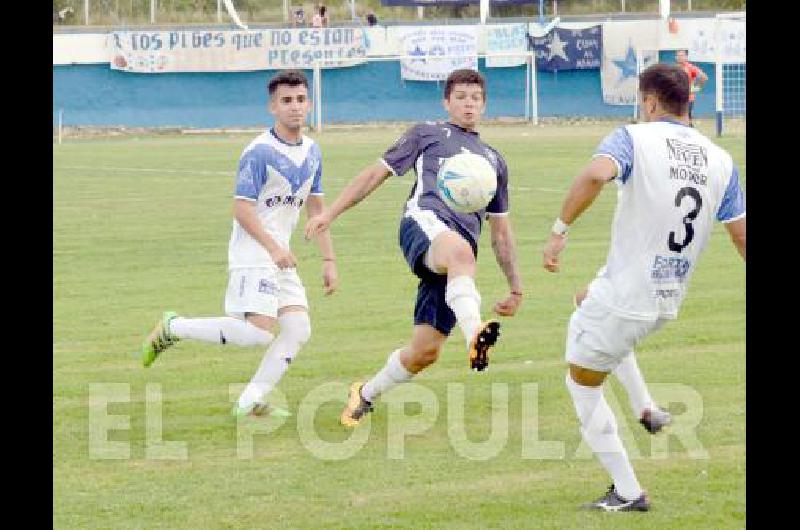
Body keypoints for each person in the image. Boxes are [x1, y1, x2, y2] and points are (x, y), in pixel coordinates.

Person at [542, 63, 745, 512]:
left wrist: (559, 229)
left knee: (582, 382)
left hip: (629, 298)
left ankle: (628, 492)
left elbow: (596, 174)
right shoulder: (722, 160)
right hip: (667, 295)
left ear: (649, 102)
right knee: (587, 301)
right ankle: (647, 408)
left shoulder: (633, 136)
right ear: (689, 103)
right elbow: (742, 235)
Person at [306, 68, 523, 428]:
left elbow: (501, 231)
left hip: (455, 262)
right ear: (446, 101)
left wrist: (515, 286)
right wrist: (332, 212)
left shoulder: (494, 161)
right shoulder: (426, 133)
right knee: (460, 253)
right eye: (461, 97)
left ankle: (365, 394)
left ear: (484, 104)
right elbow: (375, 174)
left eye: (475, 98)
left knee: (424, 351)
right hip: (422, 225)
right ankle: (475, 335)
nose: (468, 104)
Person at [139, 70, 338, 418]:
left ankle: (250, 401)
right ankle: (174, 327)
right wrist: (274, 249)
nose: (295, 107)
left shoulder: (313, 152)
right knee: (260, 334)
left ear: (310, 103)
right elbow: (242, 210)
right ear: (272, 107)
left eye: (301, 100)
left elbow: (317, 210)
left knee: (297, 328)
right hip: (253, 252)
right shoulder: (258, 152)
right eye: (286, 101)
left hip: (281, 256)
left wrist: (328, 260)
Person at [675, 49, 708, 126]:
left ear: (686, 57)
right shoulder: (674, 69)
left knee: (686, 118)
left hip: (688, 98)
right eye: (678, 56)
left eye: (682, 55)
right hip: (676, 98)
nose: (680, 57)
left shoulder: (690, 67)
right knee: (677, 119)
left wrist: (693, 89)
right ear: (676, 57)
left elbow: (704, 77)